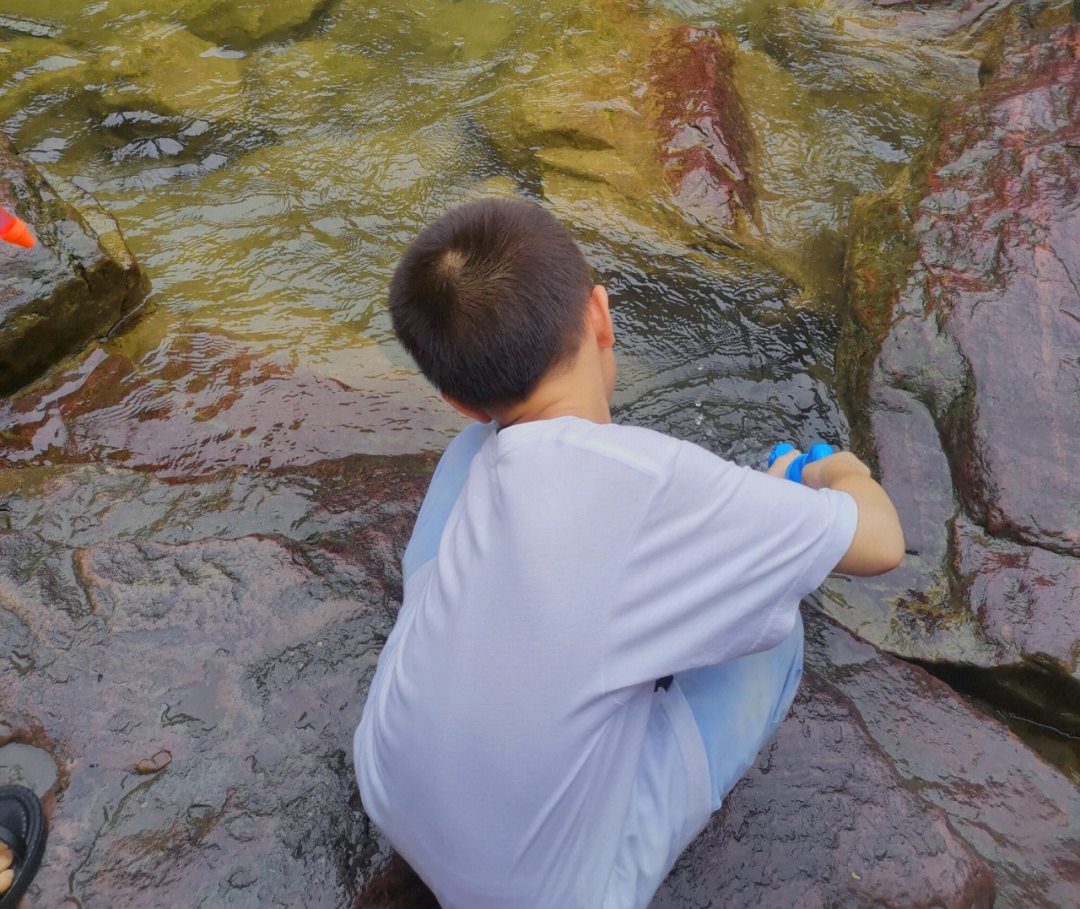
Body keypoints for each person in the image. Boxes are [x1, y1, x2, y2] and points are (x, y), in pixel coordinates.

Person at [353, 198, 904, 909]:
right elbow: (881, 542)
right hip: (542, 894)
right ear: (602, 315)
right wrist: (836, 471)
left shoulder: (478, 433)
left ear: (459, 398)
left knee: (471, 461)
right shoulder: (660, 481)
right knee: (779, 634)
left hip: (388, 786)